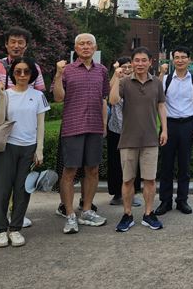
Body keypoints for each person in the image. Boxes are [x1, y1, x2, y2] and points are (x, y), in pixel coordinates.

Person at [0, 27, 44, 236]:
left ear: (26, 46)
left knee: (17, 179)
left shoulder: (33, 67)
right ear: (6, 44)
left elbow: (38, 96)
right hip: (0, 127)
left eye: (21, 42)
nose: (16, 45)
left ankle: (13, 215)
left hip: (23, 130)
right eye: (13, 41)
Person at [53, 33, 109, 234]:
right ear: (76, 49)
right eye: (81, 44)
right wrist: (58, 75)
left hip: (94, 127)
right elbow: (58, 97)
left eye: (89, 44)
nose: (85, 47)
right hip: (73, 127)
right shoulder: (66, 70)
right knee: (69, 171)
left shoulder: (102, 70)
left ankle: (86, 210)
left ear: (95, 47)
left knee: (92, 170)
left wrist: (104, 124)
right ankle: (69, 214)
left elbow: (103, 98)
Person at [0, 57, 49, 247]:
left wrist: (39, 149)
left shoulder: (38, 96)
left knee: (23, 191)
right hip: (6, 147)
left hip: (28, 148)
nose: (22, 75)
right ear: (12, 73)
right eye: (18, 71)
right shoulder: (4, 94)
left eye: (26, 71)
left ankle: (15, 229)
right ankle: (0, 230)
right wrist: (1, 96)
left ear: (32, 74)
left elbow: (41, 125)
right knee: (2, 190)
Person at [109, 47, 168, 232]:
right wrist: (116, 78)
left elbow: (161, 106)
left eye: (144, 60)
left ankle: (148, 213)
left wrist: (164, 130)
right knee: (127, 180)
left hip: (150, 139)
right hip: (128, 139)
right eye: (137, 60)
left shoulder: (156, 83)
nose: (140, 64)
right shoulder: (124, 82)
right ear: (132, 63)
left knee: (150, 180)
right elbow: (113, 100)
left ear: (150, 62)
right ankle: (127, 214)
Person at [154, 46, 193, 216]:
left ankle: (182, 200)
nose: (180, 60)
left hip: (187, 126)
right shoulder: (166, 79)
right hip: (169, 125)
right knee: (166, 166)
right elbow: (158, 99)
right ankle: (165, 201)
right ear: (172, 59)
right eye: (177, 57)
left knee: (184, 166)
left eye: (183, 57)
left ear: (189, 60)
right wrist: (163, 129)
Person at [106, 57, 142, 206]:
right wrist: (116, 73)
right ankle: (117, 193)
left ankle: (132, 194)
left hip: (133, 130)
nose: (127, 70)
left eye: (129, 67)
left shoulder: (137, 82)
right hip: (115, 129)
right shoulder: (116, 82)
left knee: (133, 163)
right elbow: (108, 93)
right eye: (124, 67)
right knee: (115, 163)